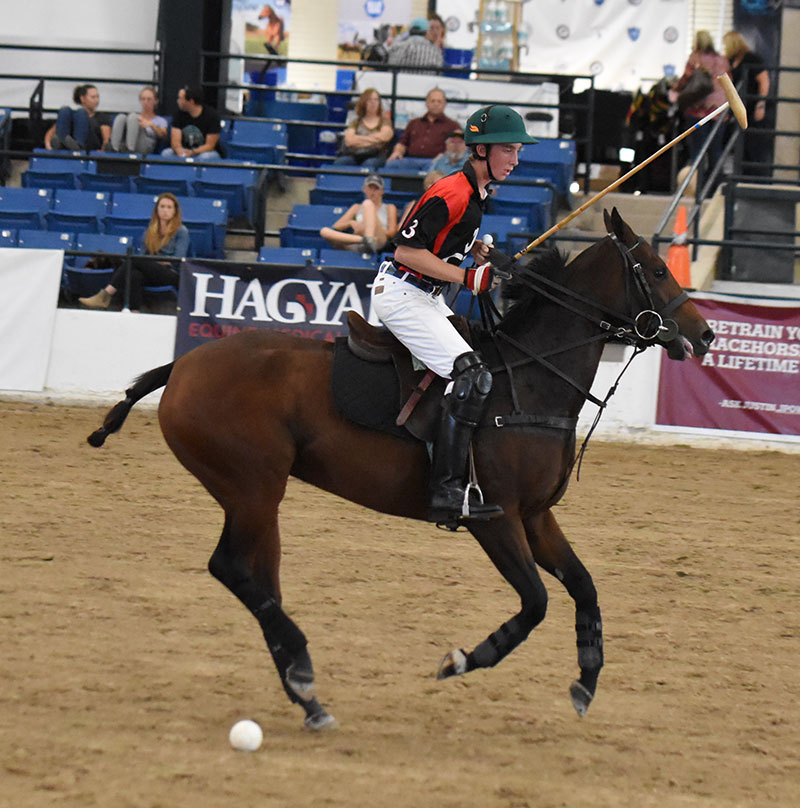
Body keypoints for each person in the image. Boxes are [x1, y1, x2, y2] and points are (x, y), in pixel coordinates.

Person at [371, 105, 538, 524]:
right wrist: (467, 278)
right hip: (403, 294)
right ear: (480, 150)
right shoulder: (454, 192)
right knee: (472, 376)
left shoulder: (476, 194)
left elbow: (440, 244)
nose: (515, 160)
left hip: (426, 296)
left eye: (517, 151)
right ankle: (446, 492)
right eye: (508, 150)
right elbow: (405, 251)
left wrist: (472, 250)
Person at [78, 192, 190, 311]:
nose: (165, 210)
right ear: (156, 210)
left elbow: (178, 259)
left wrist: (153, 262)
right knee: (135, 275)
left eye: (169, 207)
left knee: (135, 260)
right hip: (151, 270)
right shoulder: (150, 231)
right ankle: (134, 312)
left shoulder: (181, 231)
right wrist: (150, 263)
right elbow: (144, 255)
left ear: (174, 211)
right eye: (162, 206)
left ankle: (106, 294)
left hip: (171, 274)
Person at [670, 31, 731, 188]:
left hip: (698, 109)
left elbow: (686, 79)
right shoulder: (722, 60)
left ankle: (697, 187)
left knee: (697, 150)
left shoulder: (696, 58)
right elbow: (729, 83)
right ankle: (716, 187)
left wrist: (675, 90)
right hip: (719, 110)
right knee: (716, 150)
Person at [722, 30, 771, 176]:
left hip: (751, 106)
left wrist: (761, 104)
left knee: (752, 145)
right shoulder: (730, 61)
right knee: (738, 145)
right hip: (738, 107)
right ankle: (740, 176)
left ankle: (755, 178)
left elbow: (764, 81)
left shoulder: (752, 59)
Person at [385, 88, 460, 173]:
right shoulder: (414, 123)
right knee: (392, 164)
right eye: (433, 101)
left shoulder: (453, 126)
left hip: (434, 161)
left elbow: (458, 147)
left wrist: (445, 156)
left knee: (438, 167)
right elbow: (402, 143)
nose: (436, 104)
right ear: (427, 103)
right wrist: (397, 151)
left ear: (444, 104)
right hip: (410, 160)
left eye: (439, 101)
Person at [319, 174, 397, 254]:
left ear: (382, 191)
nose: (372, 192)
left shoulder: (389, 207)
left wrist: (367, 228)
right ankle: (366, 241)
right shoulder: (356, 207)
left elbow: (391, 233)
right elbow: (336, 226)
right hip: (358, 240)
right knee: (324, 231)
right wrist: (351, 223)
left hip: (379, 239)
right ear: (364, 189)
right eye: (370, 188)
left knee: (368, 203)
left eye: (376, 188)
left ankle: (369, 239)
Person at [333, 88, 394, 169]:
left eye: (376, 100)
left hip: (376, 156)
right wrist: (374, 140)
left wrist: (358, 139)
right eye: (370, 100)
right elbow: (349, 141)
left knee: (369, 164)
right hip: (355, 155)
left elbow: (385, 136)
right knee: (340, 163)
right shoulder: (356, 121)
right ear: (364, 103)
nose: (373, 103)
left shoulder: (384, 120)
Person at [44, 84, 111, 152]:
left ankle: (78, 145)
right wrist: (48, 146)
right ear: (82, 98)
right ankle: (60, 145)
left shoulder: (102, 117)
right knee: (65, 110)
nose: (96, 100)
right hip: (68, 145)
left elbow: (106, 139)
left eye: (97, 97)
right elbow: (52, 131)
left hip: (89, 145)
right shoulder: (72, 115)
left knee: (81, 112)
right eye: (93, 97)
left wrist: (102, 151)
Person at [161, 86, 221, 161]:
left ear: (191, 101)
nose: (177, 101)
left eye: (180, 98)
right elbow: (175, 141)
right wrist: (180, 150)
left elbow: (210, 145)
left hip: (204, 152)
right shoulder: (178, 115)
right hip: (184, 150)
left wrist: (192, 152)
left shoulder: (212, 116)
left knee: (204, 158)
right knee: (166, 153)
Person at [109, 85, 168, 155]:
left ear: (155, 101)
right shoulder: (135, 118)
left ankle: (130, 150)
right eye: (143, 99)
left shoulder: (160, 120)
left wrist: (151, 125)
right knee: (121, 117)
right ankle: (114, 149)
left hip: (145, 147)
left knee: (133, 117)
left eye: (149, 99)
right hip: (126, 142)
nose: (146, 102)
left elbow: (163, 135)